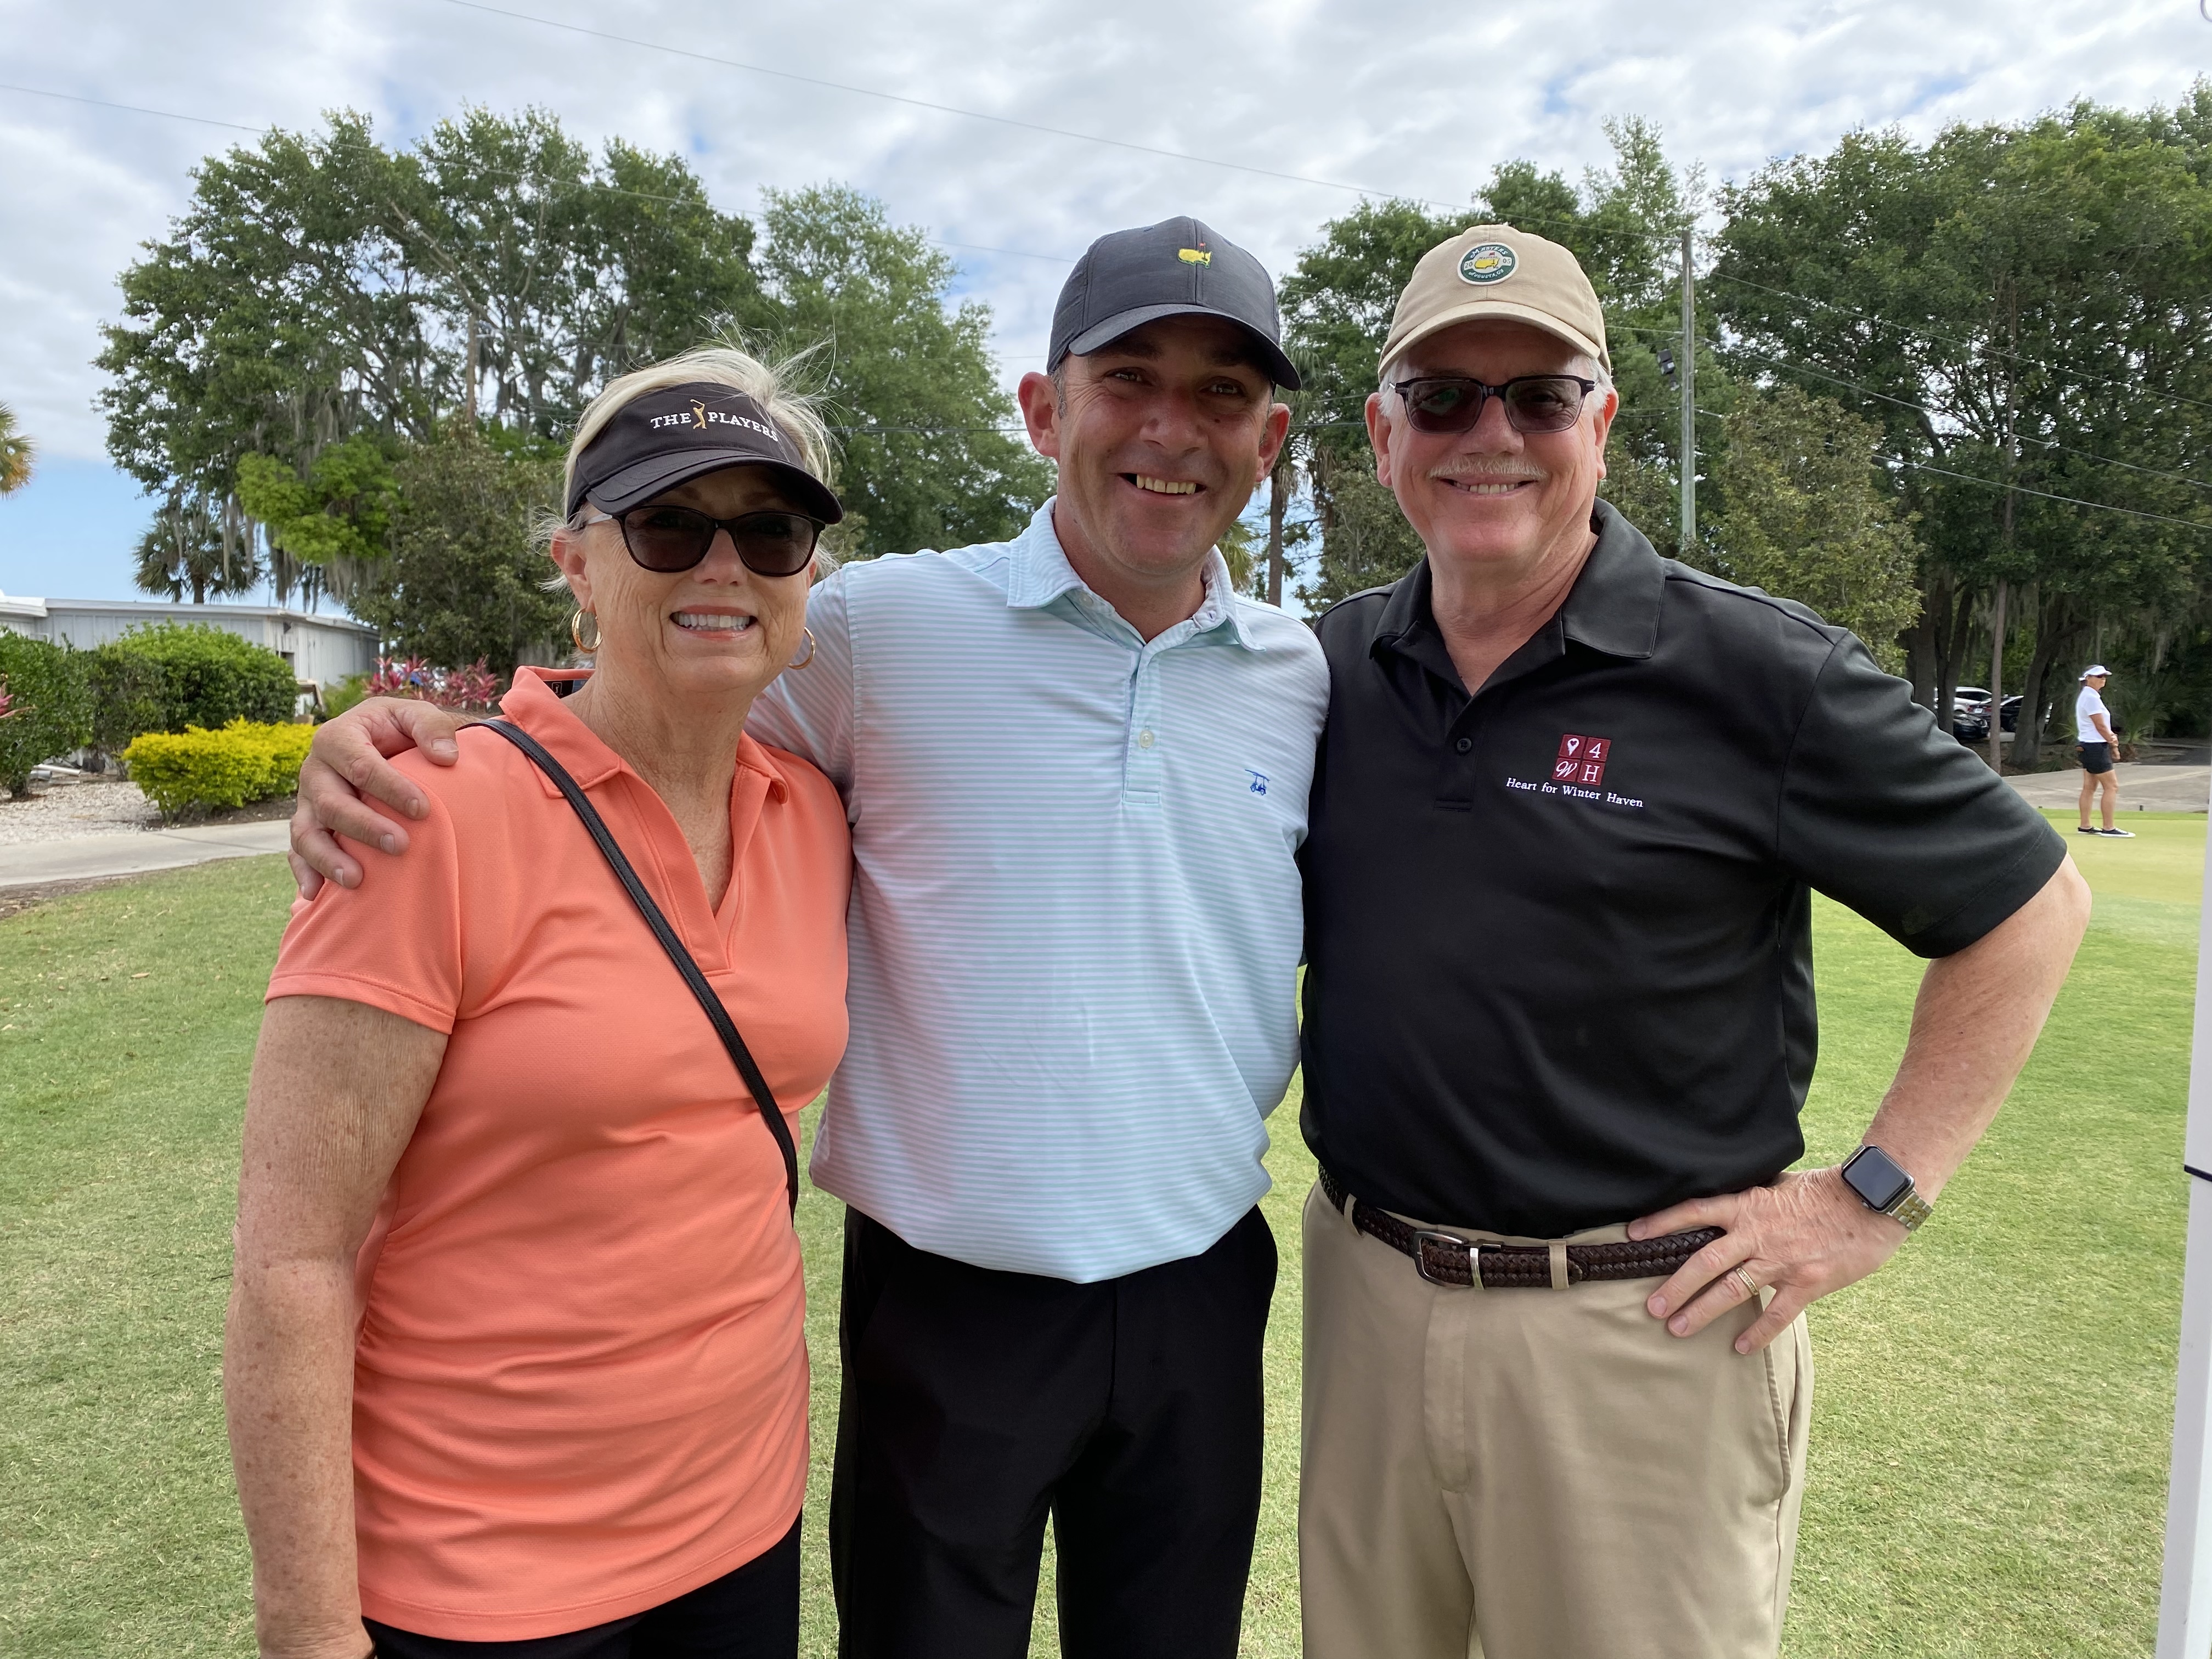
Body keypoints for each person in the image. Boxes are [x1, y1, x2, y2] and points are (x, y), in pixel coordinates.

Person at [283, 219, 1326, 1659]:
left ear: (1269, 441)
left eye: (1221, 393)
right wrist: (415, 739)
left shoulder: (1302, 675)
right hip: (947, 1297)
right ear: (1045, 410)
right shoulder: (878, 629)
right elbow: (662, 687)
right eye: (1129, 378)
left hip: (1201, 1280)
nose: (1173, 427)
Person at [1294, 225, 2094, 1659]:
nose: (1492, 433)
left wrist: (1873, 1197)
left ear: (1601, 421)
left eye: (1541, 396)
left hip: (1637, 1338)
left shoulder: (1756, 671)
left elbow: (2032, 905)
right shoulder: (1330, 667)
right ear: (1382, 432)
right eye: (1444, 396)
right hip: (1365, 1302)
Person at [227, 346, 855, 1659]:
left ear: (809, 576)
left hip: (742, 1523)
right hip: (476, 1564)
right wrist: (309, 1629)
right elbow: (293, 1263)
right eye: (669, 524)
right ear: (578, 566)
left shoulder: (813, 813)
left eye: (769, 531)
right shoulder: (425, 816)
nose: (723, 566)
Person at [2076, 664, 2132, 836]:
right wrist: (2112, 739)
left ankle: (2085, 825)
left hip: (2088, 745)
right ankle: (2109, 827)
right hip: (2095, 746)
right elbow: (2100, 725)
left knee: (2089, 787)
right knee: (2112, 787)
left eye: (2104, 676)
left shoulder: (2089, 695)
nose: (2103, 679)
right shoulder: (2090, 697)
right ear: (2088, 678)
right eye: (2099, 676)